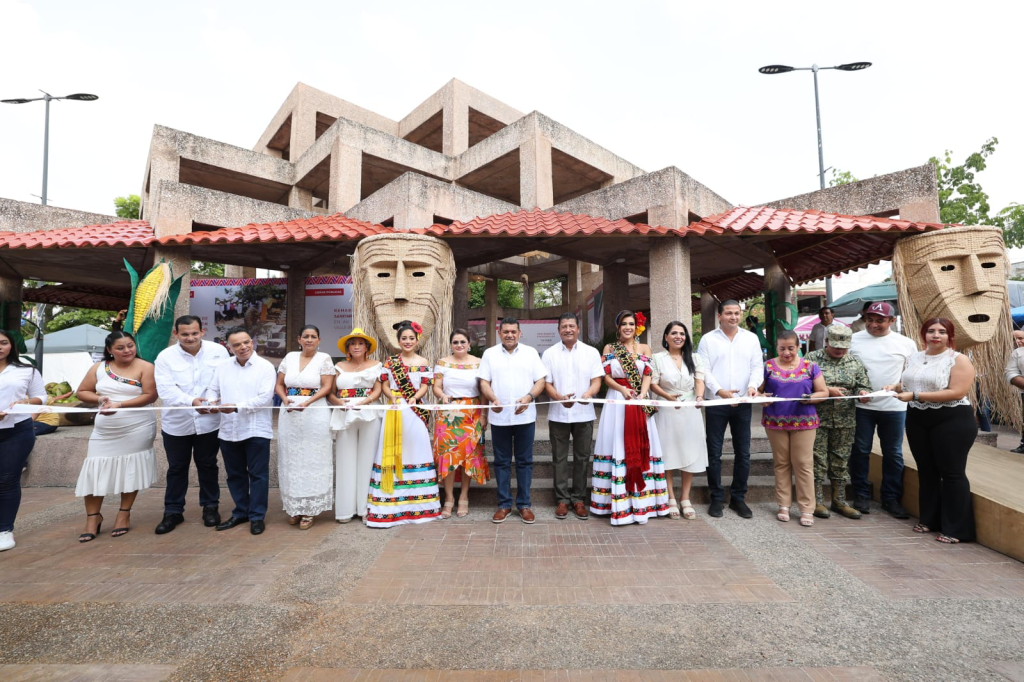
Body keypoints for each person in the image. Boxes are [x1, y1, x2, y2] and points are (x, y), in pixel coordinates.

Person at [886, 318, 977, 544]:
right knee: (926, 470)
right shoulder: (914, 357)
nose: (936, 335)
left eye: (942, 332)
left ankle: (957, 529)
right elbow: (912, 382)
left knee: (952, 473)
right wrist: (895, 387)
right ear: (923, 333)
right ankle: (930, 519)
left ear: (950, 336)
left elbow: (956, 392)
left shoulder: (958, 360)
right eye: (931, 331)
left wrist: (915, 396)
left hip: (952, 418)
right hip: (917, 417)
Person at [74, 331, 158, 541]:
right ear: (110, 350)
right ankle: (93, 518)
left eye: (130, 346)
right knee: (95, 468)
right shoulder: (99, 367)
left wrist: (120, 404)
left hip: (137, 426)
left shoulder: (146, 367)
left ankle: (124, 514)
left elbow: (150, 395)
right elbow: (82, 391)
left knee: (131, 468)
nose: (127, 350)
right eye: (120, 348)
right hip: (105, 428)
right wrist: (100, 398)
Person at [591, 310, 670, 525]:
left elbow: (647, 374)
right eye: (624, 323)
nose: (628, 327)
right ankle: (615, 503)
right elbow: (606, 376)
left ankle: (644, 503)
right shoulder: (610, 348)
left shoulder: (644, 348)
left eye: (631, 324)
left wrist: (643, 395)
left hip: (639, 399)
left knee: (643, 442)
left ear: (637, 327)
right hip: (617, 399)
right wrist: (623, 390)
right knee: (616, 443)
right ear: (618, 327)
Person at [153, 315, 229, 535]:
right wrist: (192, 402)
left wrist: (216, 403)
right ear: (176, 334)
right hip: (177, 423)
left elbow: (223, 382)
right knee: (177, 467)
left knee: (208, 464)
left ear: (202, 331)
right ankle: (173, 511)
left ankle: (210, 507)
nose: (190, 338)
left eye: (194, 333)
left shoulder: (219, 351)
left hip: (210, 421)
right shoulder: (165, 357)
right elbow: (166, 390)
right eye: (185, 334)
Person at [366, 320, 441, 527]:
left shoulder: (424, 362)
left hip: (415, 411)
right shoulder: (390, 362)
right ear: (398, 341)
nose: (407, 341)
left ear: (417, 340)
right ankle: (390, 503)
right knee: (392, 450)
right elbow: (384, 385)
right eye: (403, 338)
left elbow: (425, 386)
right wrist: (393, 397)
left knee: (416, 450)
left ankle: (419, 505)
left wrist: (415, 397)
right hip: (395, 410)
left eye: (411, 338)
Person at [849, 302, 917, 518]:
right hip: (862, 405)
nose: (874, 324)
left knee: (893, 453)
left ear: (892, 321)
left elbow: (912, 374)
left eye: (880, 320)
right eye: (870, 319)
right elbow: (846, 369)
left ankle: (891, 498)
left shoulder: (906, 343)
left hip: (894, 407)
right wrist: (856, 389)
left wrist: (898, 387)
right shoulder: (854, 339)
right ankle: (861, 494)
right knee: (860, 450)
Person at [206, 327, 276, 536]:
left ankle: (257, 516)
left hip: (256, 429)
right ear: (229, 347)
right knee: (235, 475)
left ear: (252, 341)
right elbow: (212, 389)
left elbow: (265, 398)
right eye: (236, 344)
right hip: (229, 429)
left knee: (258, 476)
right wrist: (211, 402)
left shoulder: (265, 367)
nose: (243, 347)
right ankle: (241, 512)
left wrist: (236, 406)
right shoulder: (223, 367)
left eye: (246, 342)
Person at [697, 299, 762, 518]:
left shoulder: (750, 338)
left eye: (736, 313)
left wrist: (753, 387)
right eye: (728, 313)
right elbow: (704, 370)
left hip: (743, 403)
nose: (733, 317)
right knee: (714, 452)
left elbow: (757, 366)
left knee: (743, 452)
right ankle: (716, 498)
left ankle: (738, 498)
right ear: (719, 316)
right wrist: (720, 391)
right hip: (716, 403)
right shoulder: (708, 339)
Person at [478, 317, 547, 524]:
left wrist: (529, 397)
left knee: (525, 461)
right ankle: (504, 504)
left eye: (513, 331)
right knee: (501, 462)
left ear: (520, 333)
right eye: (505, 331)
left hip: (525, 416)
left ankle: (525, 505)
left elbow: (540, 380)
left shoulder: (530, 353)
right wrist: (492, 399)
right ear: (500, 333)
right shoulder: (489, 354)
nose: (509, 334)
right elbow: (484, 381)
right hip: (499, 417)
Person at [760, 330, 829, 527]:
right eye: (782, 349)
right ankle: (783, 505)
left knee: (803, 464)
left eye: (791, 348)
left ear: (799, 346)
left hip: (804, 422)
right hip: (775, 422)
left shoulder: (810, 366)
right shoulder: (768, 366)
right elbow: (757, 390)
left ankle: (807, 508)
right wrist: (761, 398)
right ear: (777, 348)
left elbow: (823, 392)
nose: (787, 352)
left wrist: (811, 398)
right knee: (781, 463)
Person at [805, 326, 872, 519]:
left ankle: (839, 501)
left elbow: (863, 384)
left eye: (844, 347)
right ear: (826, 342)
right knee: (817, 461)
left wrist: (863, 394)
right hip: (817, 419)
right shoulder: (812, 359)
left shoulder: (855, 361)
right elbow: (801, 385)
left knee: (840, 461)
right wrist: (828, 390)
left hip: (845, 421)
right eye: (836, 346)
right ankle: (816, 502)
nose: (840, 350)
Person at [542, 312, 603, 520]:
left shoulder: (591, 352)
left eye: (571, 326)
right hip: (558, 413)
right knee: (559, 458)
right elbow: (546, 383)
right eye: (564, 326)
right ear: (558, 330)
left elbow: (597, 380)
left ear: (578, 329)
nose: (568, 329)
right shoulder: (549, 353)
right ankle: (561, 500)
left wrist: (589, 394)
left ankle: (578, 499)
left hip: (584, 413)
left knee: (582, 457)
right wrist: (558, 397)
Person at [275, 325, 336, 530]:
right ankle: (295, 507)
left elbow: (327, 387)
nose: (309, 340)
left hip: (315, 412)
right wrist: (285, 400)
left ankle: (310, 509)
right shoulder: (289, 357)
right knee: (292, 459)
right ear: (299, 339)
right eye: (306, 337)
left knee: (313, 459)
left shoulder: (324, 358)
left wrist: (307, 402)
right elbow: (279, 384)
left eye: (313, 337)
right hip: (290, 412)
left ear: (319, 340)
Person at [650, 321, 708, 520]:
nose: (678, 337)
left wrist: (699, 398)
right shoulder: (657, 358)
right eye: (673, 333)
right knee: (668, 452)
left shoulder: (695, 357)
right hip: (666, 409)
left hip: (690, 408)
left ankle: (685, 497)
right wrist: (667, 398)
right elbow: (653, 383)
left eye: (682, 333)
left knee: (689, 451)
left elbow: (700, 380)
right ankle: (670, 497)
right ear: (666, 337)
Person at [433, 329, 489, 519]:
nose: (459, 345)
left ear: (469, 343)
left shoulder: (479, 363)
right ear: (451, 344)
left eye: (462, 342)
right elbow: (436, 387)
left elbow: (483, 390)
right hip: (448, 413)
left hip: (472, 411)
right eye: (455, 342)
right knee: (448, 455)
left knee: (468, 456)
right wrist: (443, 396)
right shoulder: (442, 363)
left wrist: (484, 415)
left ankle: (464, 496)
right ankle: (448, 498)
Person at [328, 328, 382, 523]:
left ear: (367, 347)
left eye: (360, 343)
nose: (356, 346)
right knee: (345, 458)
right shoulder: (339, 366)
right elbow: (331, 392)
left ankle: (366, 507)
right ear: (347, 348)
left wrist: (365, 402)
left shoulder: (377, 365)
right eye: (353, 344)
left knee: (368, 458)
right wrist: (339, 403)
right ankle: (345, 510)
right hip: (344, 413)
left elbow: (378, 390)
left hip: (369, 412)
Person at [0, 329, 47, 551]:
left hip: (17, 430)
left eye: (3, 342)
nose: (0, 347)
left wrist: (23, 404)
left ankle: (5, 530)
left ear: (12, 346)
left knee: (8, 479)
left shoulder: (26, 370)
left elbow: (41, 397)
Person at [1004, 329, 1024, 454]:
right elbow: (1010, 372)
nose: (1017, 341)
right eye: (1014, 339)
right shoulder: (1018, 353)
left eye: (1021, 338)